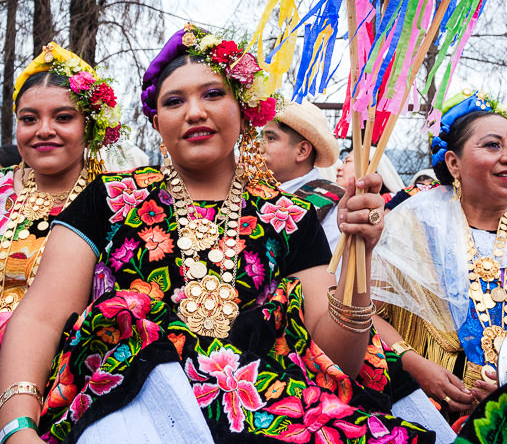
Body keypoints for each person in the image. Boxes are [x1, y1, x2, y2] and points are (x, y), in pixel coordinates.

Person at [0, 25, 434, 444]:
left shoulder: (291, 217)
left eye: (212, 94)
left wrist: (360, 254)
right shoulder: (110, 199)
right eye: (174, 101)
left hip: (272, 413)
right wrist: (17, 427)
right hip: (130, 407)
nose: (194, 112)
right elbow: (41, 317)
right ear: (157, 123)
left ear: (244, 113)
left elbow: (339, 360)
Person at [371, 89, 507, 420]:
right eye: (493, 145)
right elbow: (362, 311)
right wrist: (411, 363)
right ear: (453, 163)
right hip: (422, 411)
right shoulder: (411, 226)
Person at [0, 42, 122, 337]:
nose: (43, 130)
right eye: (29, 119)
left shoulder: (119, 202)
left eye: (63, 117)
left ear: (90, 128)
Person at [261, 100, 343, 251]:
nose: (260, 148)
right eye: (262, 139)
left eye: (271, 138)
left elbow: (330, 264)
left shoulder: (334, 204)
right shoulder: (252, 190)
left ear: (302, 151)